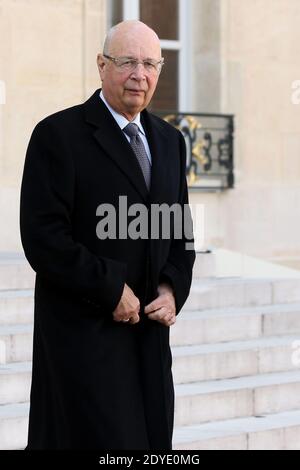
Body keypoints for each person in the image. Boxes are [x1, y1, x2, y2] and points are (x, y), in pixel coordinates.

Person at [20, 20, 195, 450]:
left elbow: (181, 230)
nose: (140, 74)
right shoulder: (57, 135)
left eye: (151, 63)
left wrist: (173, 287)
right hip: (84, 341)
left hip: (150, 344)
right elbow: (43, 236)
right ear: (101, 65)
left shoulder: (171, 141)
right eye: (127, 62)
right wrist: (110, 287)